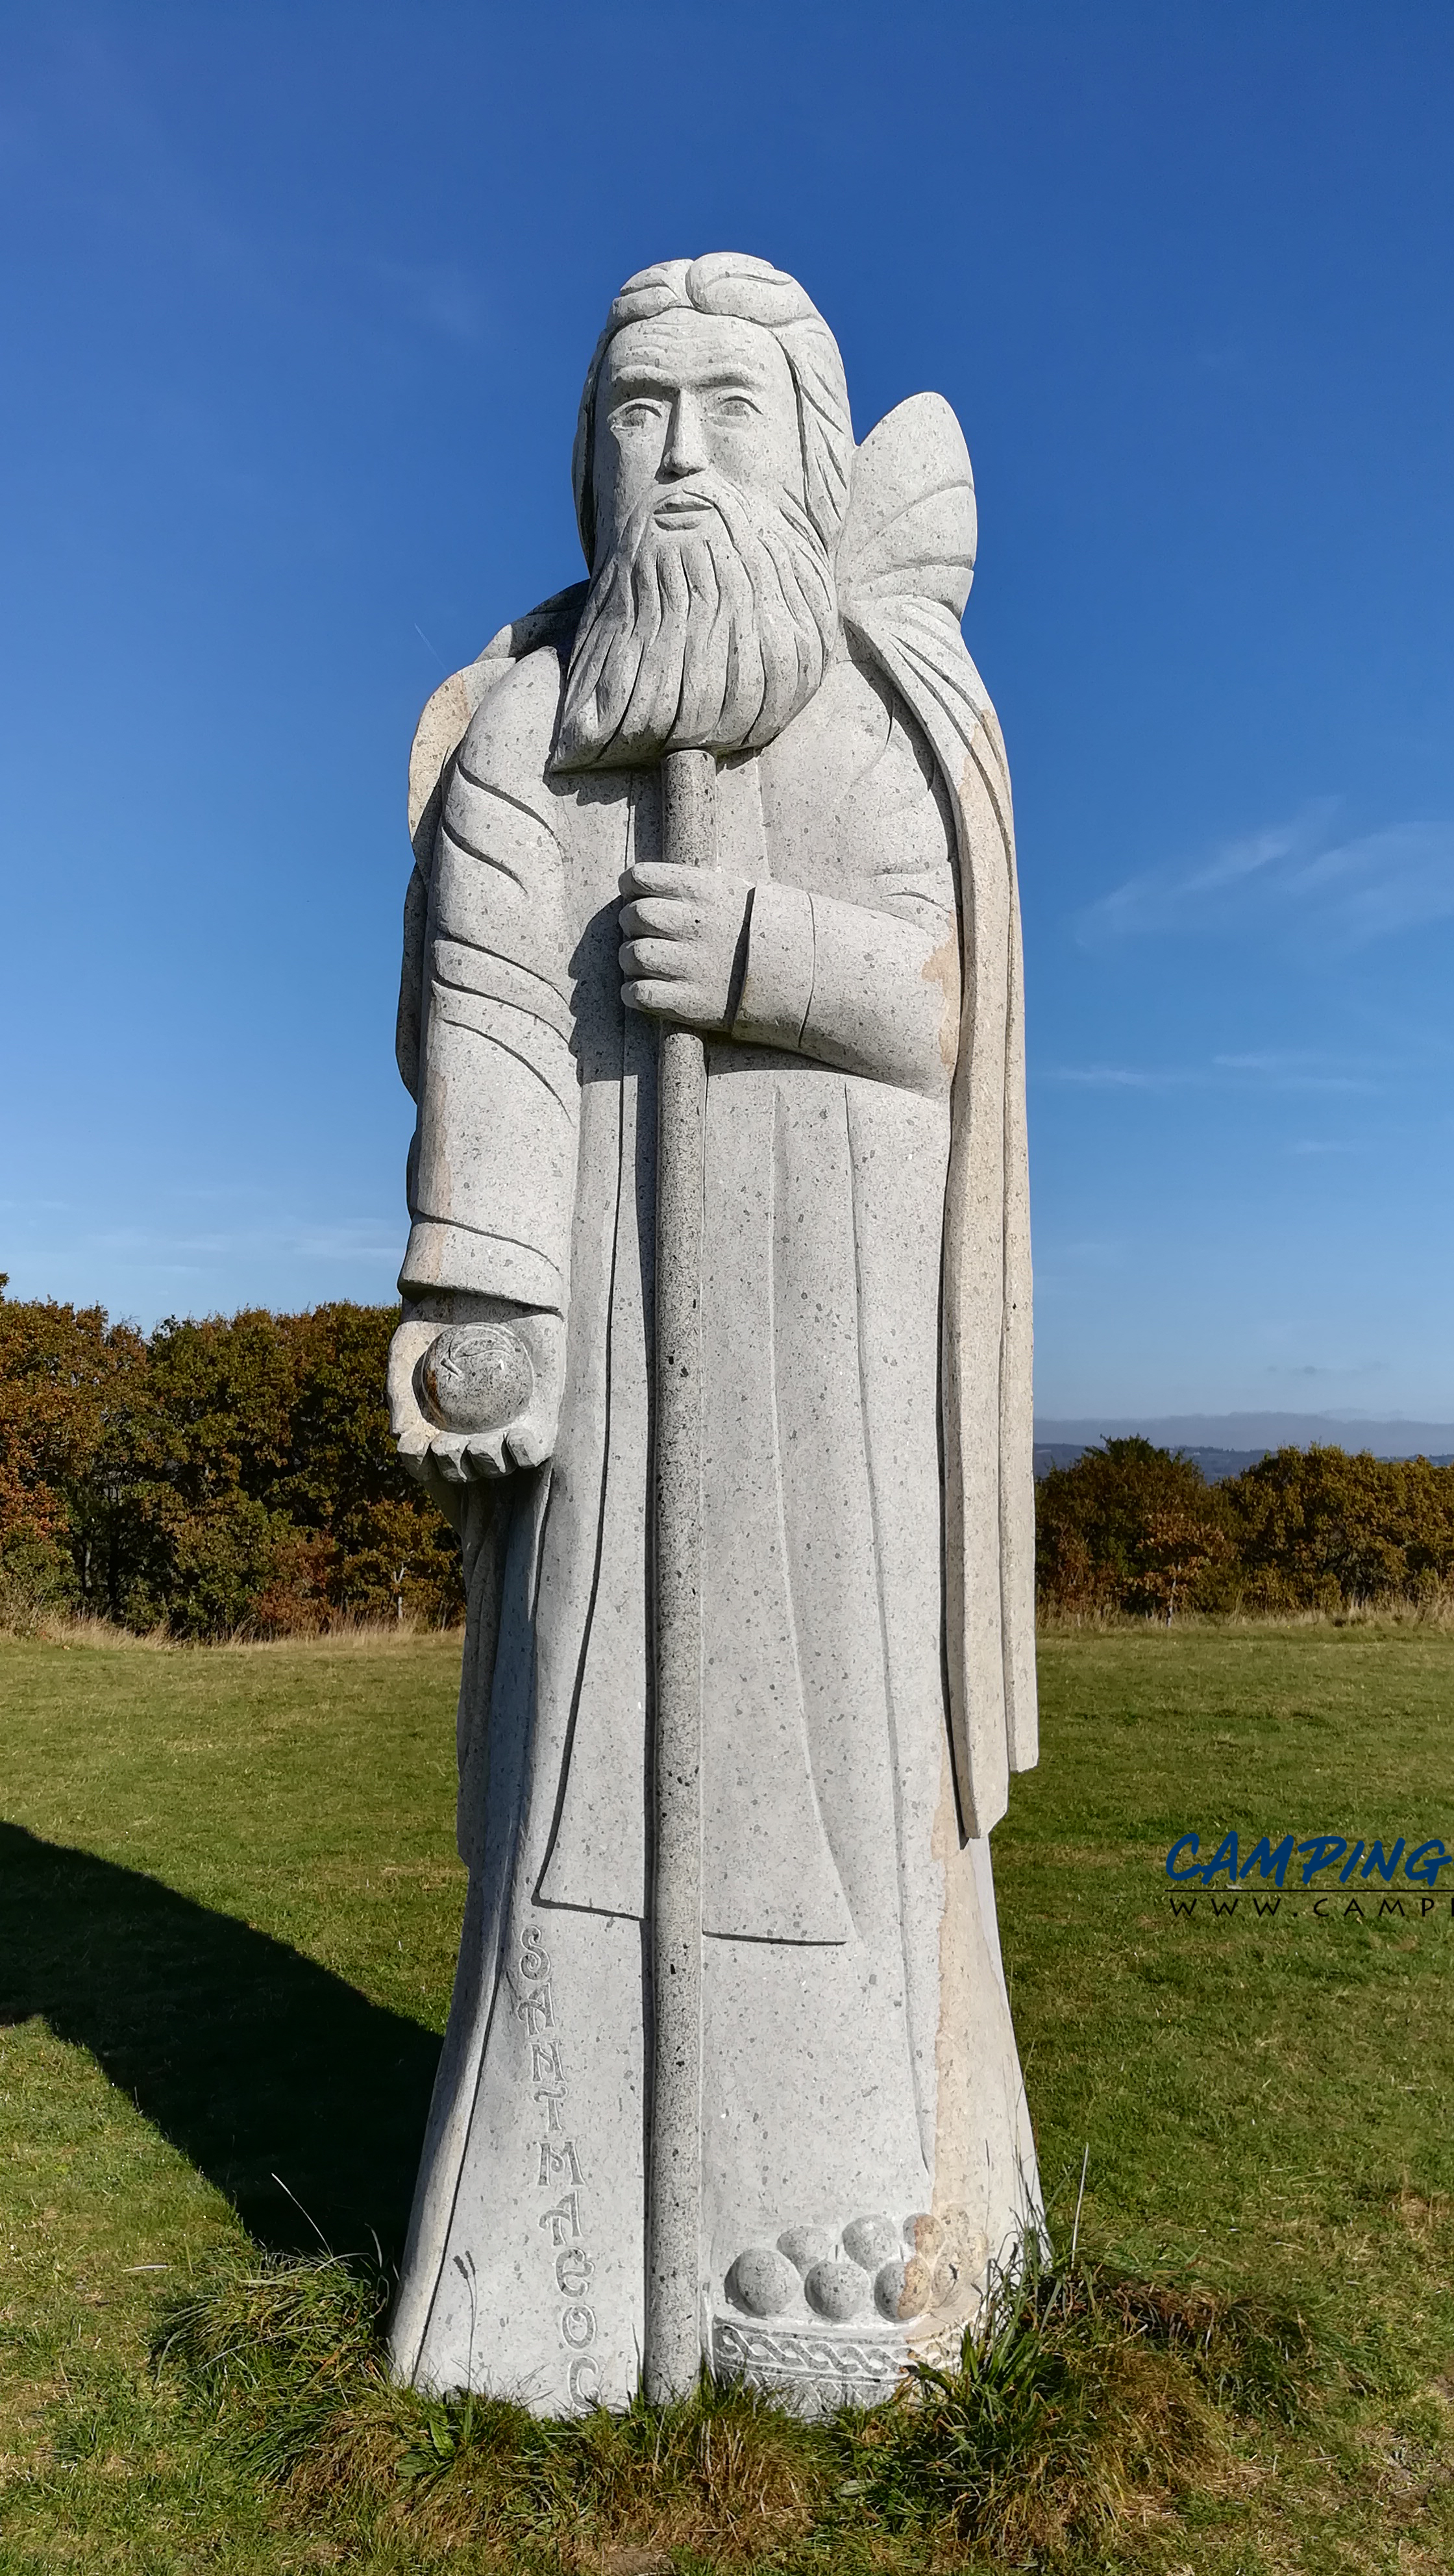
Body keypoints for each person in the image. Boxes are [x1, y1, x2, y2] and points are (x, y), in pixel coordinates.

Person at [387, 254, 1040, 2412]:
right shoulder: (524, 740)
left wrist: (759, 947)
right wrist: (487, 1285)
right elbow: (485, 1014)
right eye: (636, 413)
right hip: (614, 1374)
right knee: (582, 1750)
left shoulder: (877, 710)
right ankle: (550, 2276)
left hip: (825, 1364)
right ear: (586, 458)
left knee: (838, 1758)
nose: (676, 460)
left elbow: (945, 1006)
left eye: (725, 413)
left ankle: (870, 2200)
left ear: (807, 450)